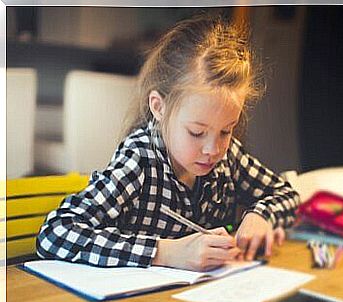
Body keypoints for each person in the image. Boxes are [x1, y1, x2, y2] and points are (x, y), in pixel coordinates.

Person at [36, 14, 300, 272]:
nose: (213, 149)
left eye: (226, 131)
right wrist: (166, 252)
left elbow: (287, 195)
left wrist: (260, 216)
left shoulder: (228, 157)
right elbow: (55, 233)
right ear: (158, 107)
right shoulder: (139, 160)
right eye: (196, 132)